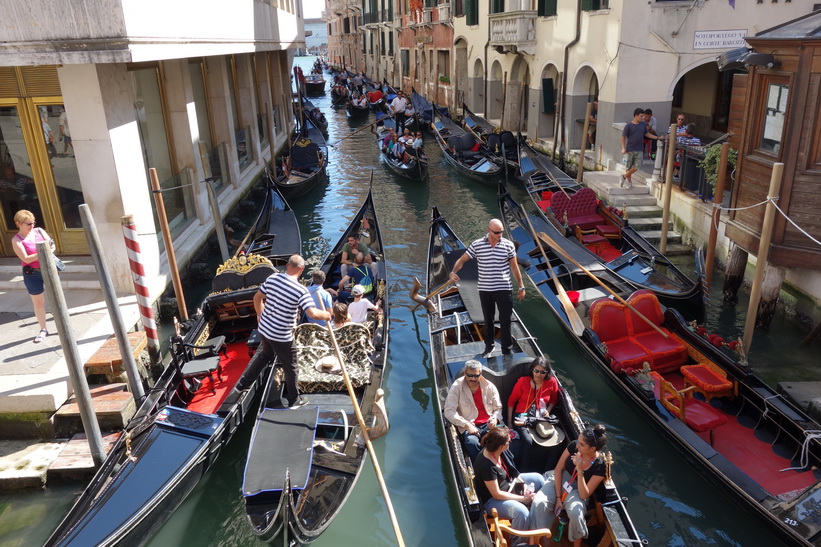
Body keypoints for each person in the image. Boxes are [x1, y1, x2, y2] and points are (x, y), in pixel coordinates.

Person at [240, 255, 332, 407]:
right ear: (301, 270)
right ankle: (294, 399)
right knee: (291, 366)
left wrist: (260, 316)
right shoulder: (301, 290)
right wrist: (327, 315)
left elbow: (257, 299)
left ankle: (242, 384)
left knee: (265, 355)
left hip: (264, 329)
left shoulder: (273, 278)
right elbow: (313, 314)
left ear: (288, 265)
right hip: (281, 336)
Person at [449, 219, 526, 357]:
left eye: (501, 232)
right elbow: (462, 260)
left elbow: (515, 268)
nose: (499, 235)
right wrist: (453, 272)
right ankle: (488, 347)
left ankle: (506, 349)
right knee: (488, 320)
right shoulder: (477, 245)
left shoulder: (508, 245)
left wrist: (521, 286)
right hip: (485, 289)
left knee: (505, 320)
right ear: (489, 230)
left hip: (504, 288)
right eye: (496, 232)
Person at [530, 425, 609, 547]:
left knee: (576, 513)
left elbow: (584, 494)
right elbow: (558, 469)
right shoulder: (573, 446)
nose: (578, 446)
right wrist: (557, 499)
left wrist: (579, 469)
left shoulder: (600, 466)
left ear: (592, 448)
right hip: (560, 479)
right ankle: (539, 537)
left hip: (578, 489)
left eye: (582, 445)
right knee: (539, 502)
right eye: (579, 441)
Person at [474, 426, 546, 542]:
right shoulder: (486, 466)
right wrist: (523, 498)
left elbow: (513, 471)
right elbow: (496, 494)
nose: (510, 443)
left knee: (539, 479)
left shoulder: (500, 451)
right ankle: (517, 542)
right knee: (522, 513)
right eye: (508, 442)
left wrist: (523, 485)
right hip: (491, 500)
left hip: (509, 485)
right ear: (501, 446)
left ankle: (537, 517)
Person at [506, 357, 560, 470]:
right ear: (532, 370)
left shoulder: (552, 382)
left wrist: (548, 411)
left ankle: (548, 470)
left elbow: (553, 400)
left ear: (547, 372)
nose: (539, 375)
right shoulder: (523, 381)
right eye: (536, 371)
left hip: (540, 417)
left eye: (542, 372)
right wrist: (510, 423)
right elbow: (511, 402)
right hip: (522, 416)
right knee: (527, 440)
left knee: (555, 440)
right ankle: (522, 470)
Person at [444, 360, 503, 461]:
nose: (473, 378)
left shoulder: (490, 386)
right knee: (472, 443)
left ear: (480, 374)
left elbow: (498, 408)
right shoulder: (456, 387)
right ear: (465, 373)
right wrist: (466, 425)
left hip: (488, 424)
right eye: (470, 375)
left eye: (476, 376)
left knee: (501, 439)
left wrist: (495, 418)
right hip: (470, 425)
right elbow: (449, 411)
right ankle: (480, 467)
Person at [11, 210, 54, 343]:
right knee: (38, 303)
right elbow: (26, 259)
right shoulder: (16, 240)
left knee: (56, 299)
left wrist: (47, 249)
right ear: (18, 223)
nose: (32, 226)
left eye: (33, 222)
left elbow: (52, 246)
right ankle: (43, 329)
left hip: (47, 269)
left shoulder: (39, 231)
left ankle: (62, 325)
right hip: (32, 273)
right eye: (28, 223)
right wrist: (43, 251)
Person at [620, 108, 663, 189]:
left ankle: (624, 176)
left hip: (639, 149)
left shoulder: (643, 125)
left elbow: (647, 134)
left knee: (637, 166)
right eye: (641, 116)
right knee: (628, 167)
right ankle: (629, 182)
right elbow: (623, 137)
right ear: (636, 116)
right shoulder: (629, 125)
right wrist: (623, 148)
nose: (643, 118)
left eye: (643, 116)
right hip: (629, 149)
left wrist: (657, 138)